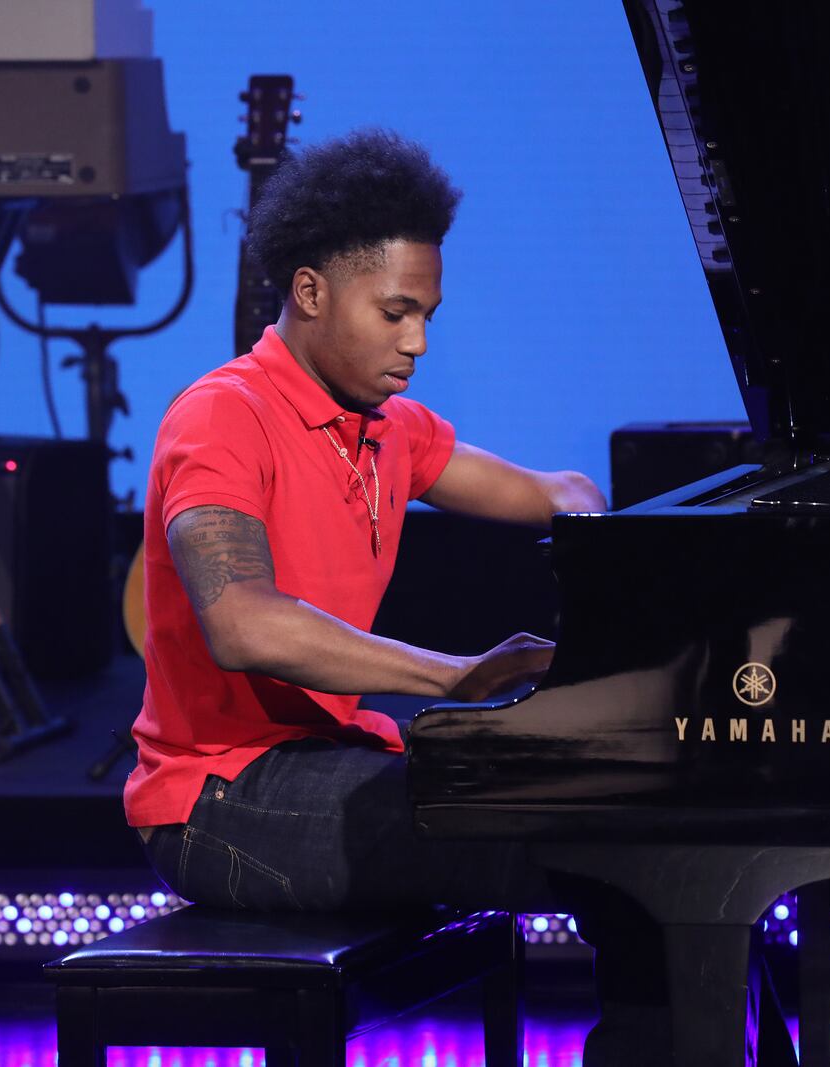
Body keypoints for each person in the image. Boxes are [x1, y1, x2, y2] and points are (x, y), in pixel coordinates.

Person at [124, 128, 605, 913]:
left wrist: (615, 542)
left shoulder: (390, 427)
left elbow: (560, 490)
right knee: (566, 841)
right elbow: (244, 624)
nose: (416, 342)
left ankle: (705, 1042)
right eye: (394, 312)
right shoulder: (221, 416)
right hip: (219, 797)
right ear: (310, 292)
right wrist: (451, 674)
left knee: (627, 821)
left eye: (426, 315)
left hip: (330, 759)